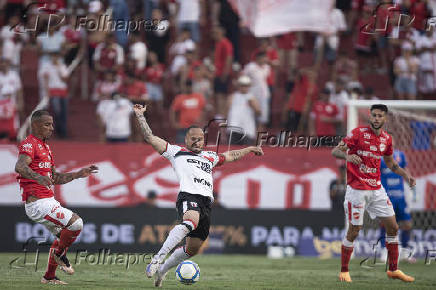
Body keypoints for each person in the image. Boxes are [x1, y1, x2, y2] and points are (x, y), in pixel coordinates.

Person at [132, 104, 264, 287]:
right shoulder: (176, 152)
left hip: (206, 203)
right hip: (188, 196)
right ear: (186, 139)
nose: (197, 142)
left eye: (200, 139)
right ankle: (157, 259)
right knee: (189, 221)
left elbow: (231, 155)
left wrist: (249, 149)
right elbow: (149, 137)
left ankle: (162, 271)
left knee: (192, 249)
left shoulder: (210, 156)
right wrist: (140, 116)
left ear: (204, 140)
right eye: (193, 138)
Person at [332, 104, 415, 283]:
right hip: (357, 190)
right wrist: (347, 156)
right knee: (354, 230)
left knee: (393, 226)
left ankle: (393, 269)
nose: (377, 118)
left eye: (380, 116)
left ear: (385, 119)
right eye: (374, 115)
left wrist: (406, 175)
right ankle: (344, 270)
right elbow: (335, 151)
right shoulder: (357, 133)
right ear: (370, 116)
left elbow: (391, 163)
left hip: (377, 189)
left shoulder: (387, 139)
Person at [14, 110, 98, 285]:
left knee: (62, 238)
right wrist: (38, 177)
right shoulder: (30, 144)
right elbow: (20, 166)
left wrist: (77, 174)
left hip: (48, 200)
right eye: (47, 124)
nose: (52, 128)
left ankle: (49, 277)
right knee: (76, 223)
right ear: (35, 125)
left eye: (52, 124)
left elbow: (55, 178)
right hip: (37, 203)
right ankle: (60, 255)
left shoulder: (46, 147)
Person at [379, 150, 415, 263]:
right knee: (385, 224)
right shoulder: (379, 157)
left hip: (400, 196)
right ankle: (384, 251)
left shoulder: (400, 155)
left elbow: (405, 170)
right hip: (386, 196)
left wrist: (411, 182)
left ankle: (404, 252)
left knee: (407, 224)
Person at [227, 75, 260, 145]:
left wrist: (254, 106)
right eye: (242, 85)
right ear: (239, 86)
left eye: (246, 85)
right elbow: (226, 111)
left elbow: (259, 113)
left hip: (247, 129)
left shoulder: (252, 98)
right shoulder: (232, 97)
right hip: (234, 128)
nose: (244, 87)